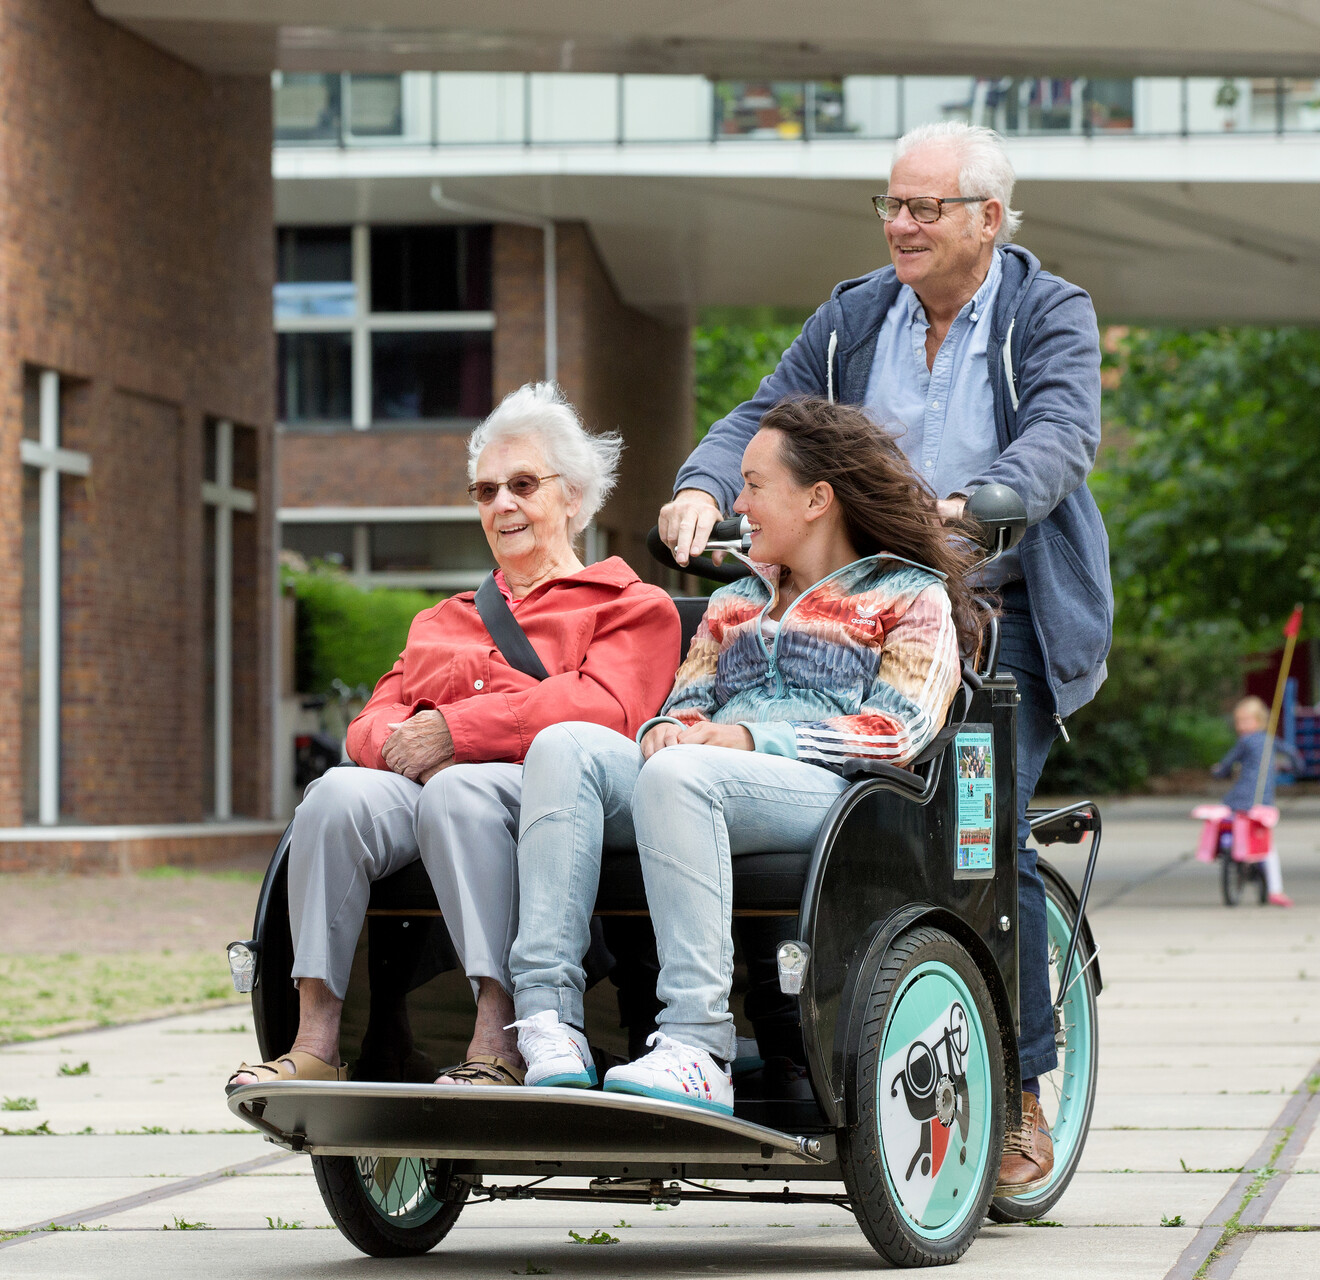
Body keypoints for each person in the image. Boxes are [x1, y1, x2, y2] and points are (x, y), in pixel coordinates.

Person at [655, 120, 1112, 1186]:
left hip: (1002, 609)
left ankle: (1022, 1093)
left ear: (987, 219)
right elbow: (765, 413)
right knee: (851, 813)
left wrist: (983, 502)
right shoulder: (855, 313)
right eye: (892, 204)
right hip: (861, 609)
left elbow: (1060, 436)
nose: (900, 224)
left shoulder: (1050, 311)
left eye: (923, 207)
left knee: (984, 838)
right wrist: (704, 483)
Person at [508, 397, 980, 1114]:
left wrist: (754, 740)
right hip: (704, 779)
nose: (738, 504)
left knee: (681, 774)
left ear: (817, 499)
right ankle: (549, 1023)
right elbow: (687, 700)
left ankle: (699, 1044)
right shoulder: (733, 601)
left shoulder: (909, 595)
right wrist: (668, 728)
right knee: (564, 746)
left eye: (754, 485)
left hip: (838, 797)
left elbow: (901, 729)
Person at [228, 383, 681, 1092]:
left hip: (554, 798)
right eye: (486, 491)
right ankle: (315, 1038)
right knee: (335, 794)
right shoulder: (443, 619)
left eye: (523, 485)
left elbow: (606, 710)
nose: (502, 505)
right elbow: (370, 721)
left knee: (459, 790)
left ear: (573, 496)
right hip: (432, 787)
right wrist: (412, 746)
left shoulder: (632, 606)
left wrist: (456, 732)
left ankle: (501, 1036)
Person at [1211, 696, 1301, 907]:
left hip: (1239, 799)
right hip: (1263, 801)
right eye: (1238, 721)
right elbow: (1294, 756)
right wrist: (1295, 769)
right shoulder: (1271, 740)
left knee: (1228, 819)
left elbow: (1227, 763)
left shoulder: (1245, 742)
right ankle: (1276, 890)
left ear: (1259, 721)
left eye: (1245, 721)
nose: (1241, 726)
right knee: (1267, 847)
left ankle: (1230, 853)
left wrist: (1219, 771)